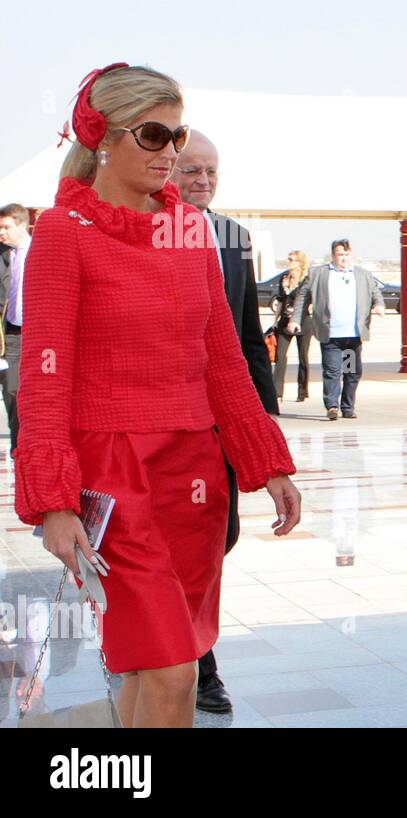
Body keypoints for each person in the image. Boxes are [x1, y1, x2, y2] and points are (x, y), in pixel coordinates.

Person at [16, 63, 301, 728]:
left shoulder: (192, 232)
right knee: (175, 672)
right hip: (115, 476)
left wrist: (268, 463)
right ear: (103, 137)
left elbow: (222, 359)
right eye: (154, 135)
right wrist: (55, 502)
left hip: (193, 475)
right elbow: (45, 374)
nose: (171, 152)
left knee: (156, 665)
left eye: (177, 136)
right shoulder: (64, 234)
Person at [172, 129, 279, 714]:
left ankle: (181, 647)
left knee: (223, 534)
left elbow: (247, 335)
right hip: (166, 420)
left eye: (211, 171)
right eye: (191, 170)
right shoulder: (140, 233)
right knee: (179, 544)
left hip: (223, 417)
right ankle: (196, 665)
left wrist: (264, 417)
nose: (203, 182)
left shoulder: (232, 237)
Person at [288, 239, 383, 420]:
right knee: (332, 371)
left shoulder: (362, 275)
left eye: (347, 255)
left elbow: (375, 293)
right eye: (340, 255)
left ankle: (347, 407)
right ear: (333, 256)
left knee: (351, 372)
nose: (344, 258)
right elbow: (302, 296)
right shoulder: (319, 274)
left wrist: (379, 305)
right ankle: (332, 406)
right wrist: (295, 319)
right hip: (331, 334)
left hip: (352, 336)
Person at [0, 203, 31, 456]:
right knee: (12, 390)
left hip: (37, 333)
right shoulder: (2, 254)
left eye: (6, 227)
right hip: (9, 334)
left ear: (23, 225)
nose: (2, 232)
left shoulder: (41, 250)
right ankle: (17, 448)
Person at [271, 250, 313, 402]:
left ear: (300, 263)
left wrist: (312, 307)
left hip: (303, 322)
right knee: (280, 356)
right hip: (284, 322)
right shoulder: (284, 278)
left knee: (303, 357)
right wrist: (274, 322)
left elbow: (312, 299)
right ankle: (277, 392)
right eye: (288, 259)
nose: (288, 261)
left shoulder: (307, 280)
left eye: (291, 259)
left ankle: (302, 391)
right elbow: (281, 301)